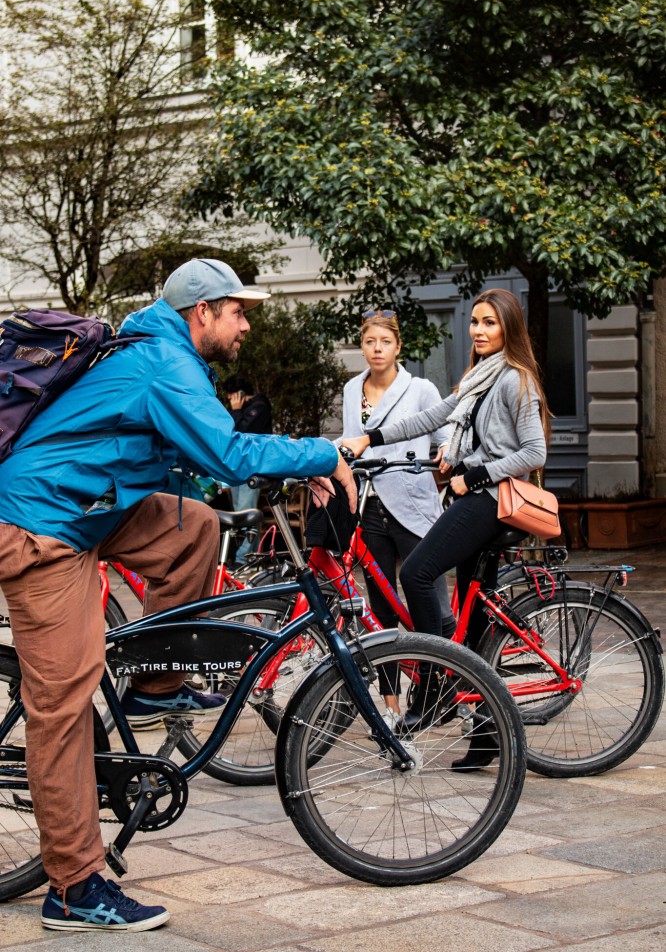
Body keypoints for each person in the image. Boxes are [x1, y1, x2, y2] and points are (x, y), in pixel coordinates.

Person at [0, 257, 355, 932]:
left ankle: (154, 687)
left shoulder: (157, 350)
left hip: (95, 506)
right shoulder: (164, 362)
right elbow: (229, 456)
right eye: (238, 311)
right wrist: (320, 454)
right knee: (64, 704)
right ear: (203, 314)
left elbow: (184, 453)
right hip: (41, 523)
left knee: (192, 526)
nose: (246, 324)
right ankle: (74, 889)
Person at [342, 289, 550, 756]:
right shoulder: (478, 378)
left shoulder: (516, 380)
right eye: (475, 322)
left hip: (490, 499)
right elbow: (432, 417)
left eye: (490, 323)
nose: (478, 330)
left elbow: (533, 453)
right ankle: (487, 734)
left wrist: (473, 475)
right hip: (476, 495)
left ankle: (434, 685)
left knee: (417, 572)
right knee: (474, 619)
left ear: (508, 329)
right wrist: (368, 438)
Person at [339, 309, 455, 730]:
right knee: (382, 608)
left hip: (413, 501)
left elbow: (444, 437)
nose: (377, 349)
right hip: (369, 505)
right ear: (362, 345)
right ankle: (389, 704)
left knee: (432, 602)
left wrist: (447, 454)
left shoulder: (421, 389)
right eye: (370, 341)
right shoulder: (352, 388)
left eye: (385, 342)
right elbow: (350, 441)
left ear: (398, 346)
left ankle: (438, 689)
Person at [222, 373, 273, 563]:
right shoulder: (246, 409)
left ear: (240, 393)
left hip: (252, 469)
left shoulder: (260, 407)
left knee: (245, 510)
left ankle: (243, 559)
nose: (229, 399)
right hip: (240, 469)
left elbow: (240, 432)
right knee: (243, 513)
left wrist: (235, 411)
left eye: (231, 394)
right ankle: (253, 556)